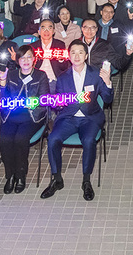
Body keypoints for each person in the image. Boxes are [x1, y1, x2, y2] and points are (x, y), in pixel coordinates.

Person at [41, 40, 114, 201]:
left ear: (86, 55)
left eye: (80, 52)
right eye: (73, 52)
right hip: (68, 117)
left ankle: (86, 181)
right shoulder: (62, 77)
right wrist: (57, 102)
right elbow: (59, 104)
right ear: (68, 56)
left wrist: (107, 82)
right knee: (53, 139)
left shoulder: (96, 73)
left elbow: (108, 99)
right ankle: (56, 179)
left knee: (88, 140)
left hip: (90, 118)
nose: (77, 56)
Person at [0, 45, 48, 193]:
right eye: (22, 57)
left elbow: (44, 100)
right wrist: (3, 81)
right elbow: (2, 99)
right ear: (17, 60)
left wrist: (33, 103)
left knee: (20, 139)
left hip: (32, 116)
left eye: (29, 57)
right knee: (4, 139)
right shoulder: (11, 75)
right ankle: (10, 175)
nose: (26, 60)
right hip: (11, 115)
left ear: (34, 59)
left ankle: (20, 175)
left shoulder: (41, 76)